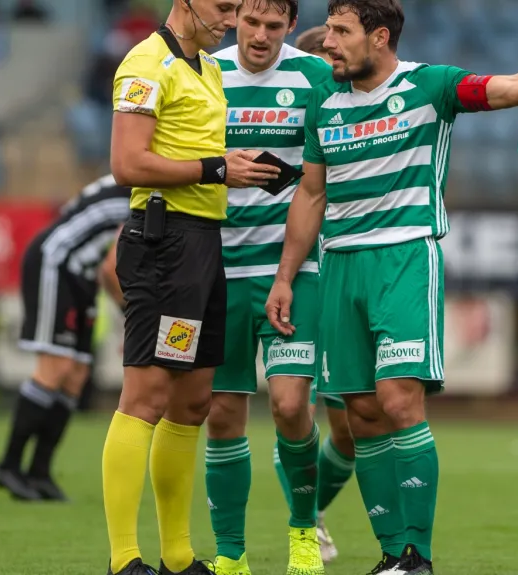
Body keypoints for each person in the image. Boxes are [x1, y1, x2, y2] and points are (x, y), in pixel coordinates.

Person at [267, 0, 518, 573]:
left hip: (403, 260)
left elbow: (517, 86)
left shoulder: (430, 86)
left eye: (342, 33)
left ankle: (417, 555)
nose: (327, 43)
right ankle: (391, 555)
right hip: (340, 265)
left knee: (399, 399)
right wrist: (283, 276)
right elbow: (311, 194)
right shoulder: (323, 103)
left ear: (378, 38)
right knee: (361, 412)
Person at [103, 0, 283, 573]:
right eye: (224, 7)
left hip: (202, 245)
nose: (230, 21)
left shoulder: (204, 67)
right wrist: (215, 168)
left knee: (191, 402)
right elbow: (128, 163)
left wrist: (235, 165)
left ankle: (178, 558)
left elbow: (198, 157)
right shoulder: (145, 62)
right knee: (147, 398)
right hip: (163, 244)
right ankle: (123, 557)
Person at [203, 3, 331, 575]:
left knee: (288, 405)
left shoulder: (314, 77)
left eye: (273, 27)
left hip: (293, 268)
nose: (260, 36)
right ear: (236, 20)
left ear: (288, 26)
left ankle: (305, 529)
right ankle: (231, 555)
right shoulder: (206, 71)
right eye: (251, 23)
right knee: (223, 415)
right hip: (215, 270)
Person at [0, 174, 130, 502]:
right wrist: (132, 317)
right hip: (57, 263)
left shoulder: (129, 174)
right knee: (56, 367)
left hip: (81, 271)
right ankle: (9, 465)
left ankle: (39, 471)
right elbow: (112, 270)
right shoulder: (147, 185)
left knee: (76, 376)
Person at [291, 22, 356, 565]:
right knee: (294, 408)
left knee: (352, 432)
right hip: (296, 272)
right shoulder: (293, 119)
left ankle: (310, 513)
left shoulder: (363, 112)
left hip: (343, 270)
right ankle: (301, 525)